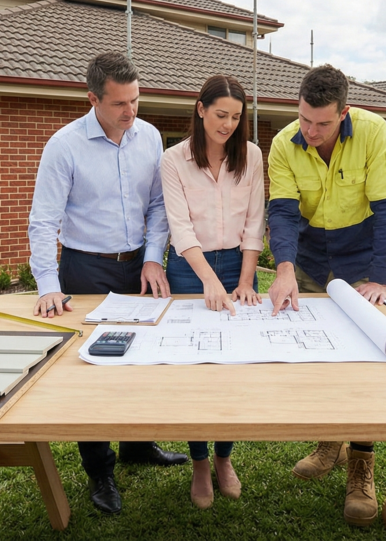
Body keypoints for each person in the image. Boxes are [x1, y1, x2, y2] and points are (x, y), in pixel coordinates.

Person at [27, 52, 187, 515]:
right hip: (85, 268)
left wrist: (154, 258)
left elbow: (159, 207)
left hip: (139, 264)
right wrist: (47, 285)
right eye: (119, 103)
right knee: (90, 371)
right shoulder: (64, 145)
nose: (130, 111)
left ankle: (139, 445)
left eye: (136, 99)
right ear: (93, 98)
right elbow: (43, 221)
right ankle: (100, 470)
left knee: (142, 359)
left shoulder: (151, 137)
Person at [265, 64, 386, 527]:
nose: (312, 131)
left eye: (323, 123)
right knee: (318, 357)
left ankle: (361, 461)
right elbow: (283, 213)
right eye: (305, 119)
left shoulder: (374, 132)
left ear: (343, 113)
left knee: (363, 361)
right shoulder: (285, 143)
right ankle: (330, 441)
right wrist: (284, 269)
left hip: (360, 256)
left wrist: (381, 278)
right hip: (307, 256)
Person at [160, 74, 265, 508]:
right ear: (200, 109)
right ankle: (199, 460)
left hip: (239, 266)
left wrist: (243, 281)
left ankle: (224, 457)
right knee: (196, 369)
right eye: (221, 114)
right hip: (190, 268)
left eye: (237, 117)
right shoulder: (174, 159)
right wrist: (207, 279)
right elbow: (179, 225)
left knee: (233, 369)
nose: (228, 124)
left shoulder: (253, 155)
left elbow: (255, 220)